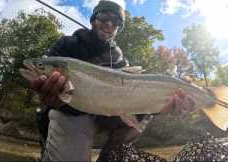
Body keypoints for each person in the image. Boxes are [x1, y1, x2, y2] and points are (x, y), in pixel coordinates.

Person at [26, 0, 196, 161]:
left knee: (143, 115)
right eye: (104, 17)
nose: (109, 24)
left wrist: (163, 107)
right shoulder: (68, 44)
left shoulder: (121, 61)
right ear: (93, 20)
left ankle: (110, 157)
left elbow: (137, 99)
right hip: (71, 112)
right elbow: (43, 89)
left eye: (116, 22)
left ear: (118, 29)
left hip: (109, 114)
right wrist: (49, 97)